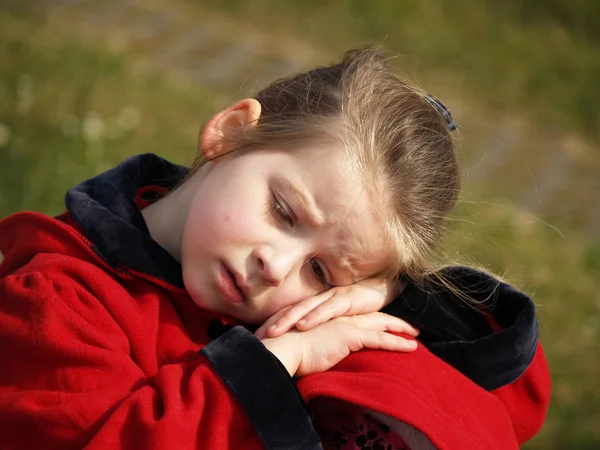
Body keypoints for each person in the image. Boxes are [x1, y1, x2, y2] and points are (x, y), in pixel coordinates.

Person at [0, 48, 549, 449]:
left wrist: (390, 298)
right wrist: (269, 364)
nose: (276, 266)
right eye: (284, 212)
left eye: (320, 271)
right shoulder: (55, 300)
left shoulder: (315, 319)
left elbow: (507, 407)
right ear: (232, 133)